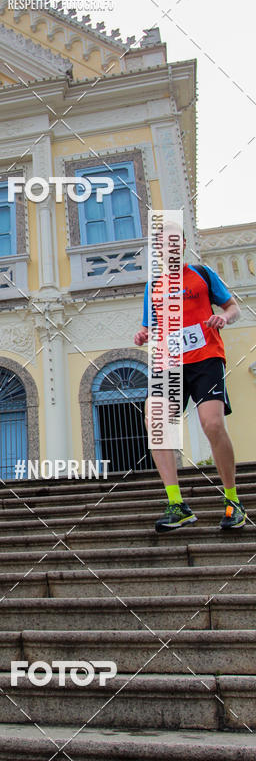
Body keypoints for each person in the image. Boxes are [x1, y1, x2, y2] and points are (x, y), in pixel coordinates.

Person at [134, 226, 244, 532]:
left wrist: (224, 317)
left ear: (181, 244)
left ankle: (232, 500)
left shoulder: (202, 273)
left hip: (206, 357)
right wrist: (144, 334)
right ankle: (176, 504)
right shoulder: (153, 286)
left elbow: (233, 307)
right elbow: (150, 325)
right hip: (168, 361)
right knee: (155, 422)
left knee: (212, 424)